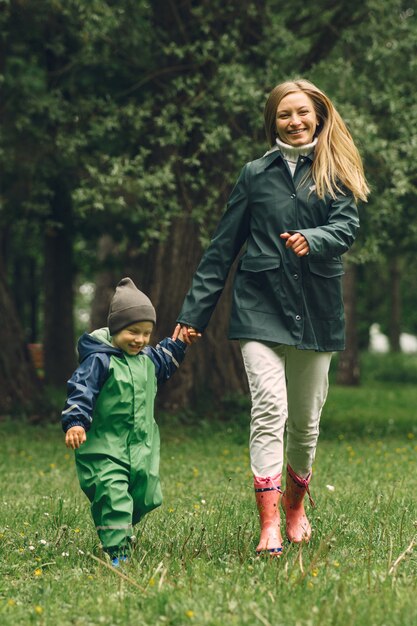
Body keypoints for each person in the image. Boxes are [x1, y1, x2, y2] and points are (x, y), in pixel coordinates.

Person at [173, 79, 369, 556]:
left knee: (304, 422)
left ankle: (296, 508)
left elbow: (346, 226)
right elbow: (222, 249)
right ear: (273, 121)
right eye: (285, 115)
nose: (295, 121)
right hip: (258, 307)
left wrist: (314, 238)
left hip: (317, 312)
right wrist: (193, 314)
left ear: (318, 116)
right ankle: (268, 525)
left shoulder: (335, 170)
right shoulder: (254, 175)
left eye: (303, 113)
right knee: (269, 411)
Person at [61, 277, 191, 566]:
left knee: (146, 497)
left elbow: (165, 361)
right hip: (104, 448)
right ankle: (119, 552)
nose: (140, 340)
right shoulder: (99, 360)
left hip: (141, 447)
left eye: (146, 333)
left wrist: (179, 342)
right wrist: (76, 422)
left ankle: (117, 522)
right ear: (116, 328)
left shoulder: (147, 359)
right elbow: (81, 390)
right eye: (133, 331)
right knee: (114, 494)